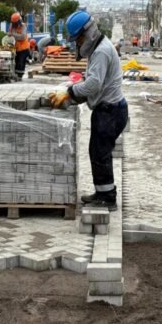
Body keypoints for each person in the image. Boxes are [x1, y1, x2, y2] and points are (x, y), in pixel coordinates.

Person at [49, 11, 127, 211]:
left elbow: (94, 84)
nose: (78, 43)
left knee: (101, 153)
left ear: (87, 33)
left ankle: (108, 198)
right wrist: (74, 92)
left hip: (110, 111)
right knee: (97, 151)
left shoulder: (101, 51)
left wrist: (69, 92)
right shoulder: (99, 48)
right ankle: (102, 192)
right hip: (108, 109)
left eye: (79, 38)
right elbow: (93, 82)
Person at [9, 12, 30, 80]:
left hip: (24, 49)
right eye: (13, 23)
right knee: (16, 62)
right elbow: (10, 35)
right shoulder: (11, 26)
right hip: (16, 48)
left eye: (15, 23)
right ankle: (15, 75)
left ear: (19, 21)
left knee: (21, 62)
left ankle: (19, 76)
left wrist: (13, 35)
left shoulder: (23, 26)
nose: (14, 24)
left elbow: (23, 37)